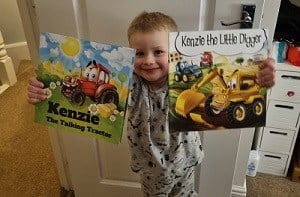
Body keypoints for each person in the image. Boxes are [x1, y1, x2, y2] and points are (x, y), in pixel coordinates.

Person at [28, 11, 276, 197]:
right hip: (151, 168)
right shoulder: (128, 84)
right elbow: (78, 104)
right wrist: (42, 93)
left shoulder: (189, 79)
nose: (148, 60)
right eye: (139, 53)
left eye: (158, 51)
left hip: (187, 160)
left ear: (175, 53)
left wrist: (260, 76)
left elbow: (231, 81)